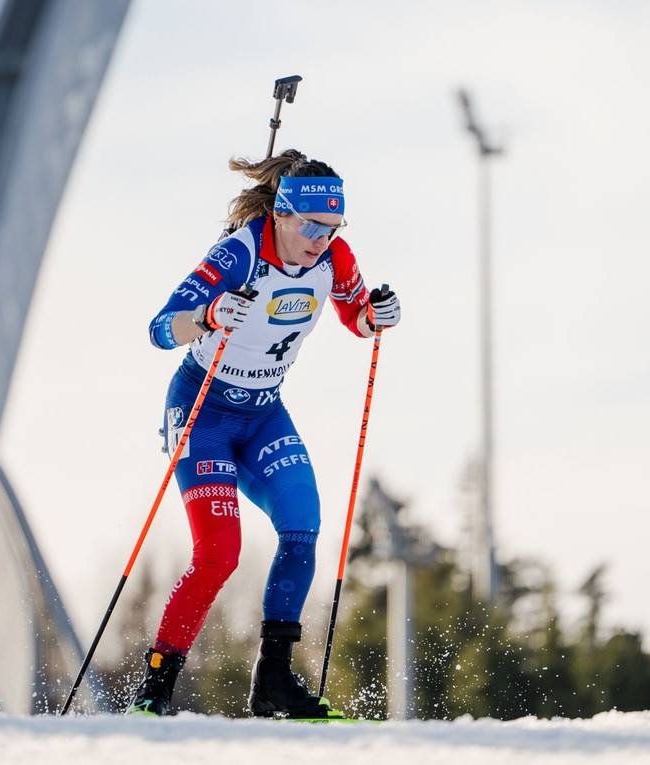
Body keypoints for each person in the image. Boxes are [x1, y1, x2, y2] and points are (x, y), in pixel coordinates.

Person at [126, 149, 401, 718]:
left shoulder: (335, 257)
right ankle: (155, 688)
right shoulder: (238, 253)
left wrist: (376, 317)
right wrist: (207, 316)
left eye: (332, 228)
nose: (322, 240)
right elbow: (159, 329)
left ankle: (272, 680)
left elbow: (355, 314)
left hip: (263, 414)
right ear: (281, 214)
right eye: (311, 226)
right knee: (219, 554)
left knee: (303, 526)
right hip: (201, 410)